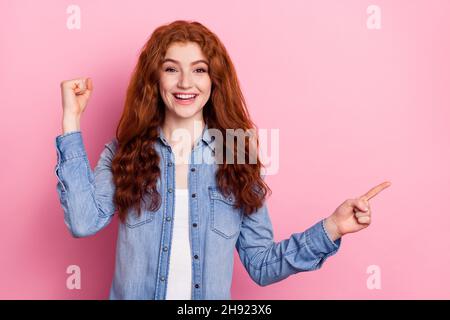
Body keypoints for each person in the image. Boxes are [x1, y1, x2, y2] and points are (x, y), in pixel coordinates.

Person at [54, 20, 391, 300]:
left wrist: (332, 227)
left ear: (214, 81)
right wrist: (72, 121)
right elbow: (83, 222)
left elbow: (261, 264)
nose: (185, 82)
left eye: (199, 70)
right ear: (154, 80)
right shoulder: (123, 152)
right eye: (171, 69)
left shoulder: (236, 156)